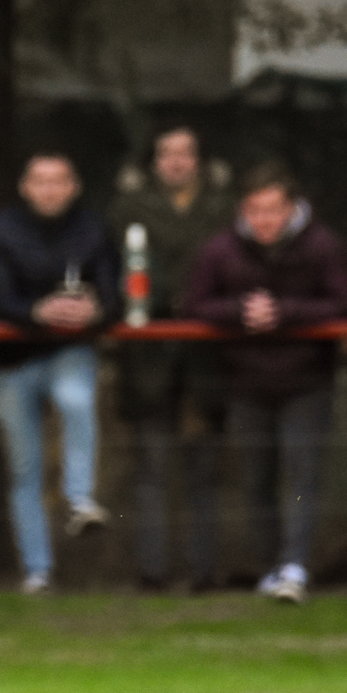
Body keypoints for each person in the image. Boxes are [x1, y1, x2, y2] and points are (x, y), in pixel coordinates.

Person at [182, 162, 347, 603]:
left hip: (306, 380)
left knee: (302, 474)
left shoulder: (323, 245)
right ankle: (269, 567)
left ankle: (295, 567)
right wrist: (240, 312)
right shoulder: (220, 249)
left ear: (292, 208)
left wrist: (286, 313)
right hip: (244, 381)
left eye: (273, 210)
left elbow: (345, 302)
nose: (265, 220)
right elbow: (195, 303)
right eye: (255, 210)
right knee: (256, 479)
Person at [0, 152, 119, 592]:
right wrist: (39, 311)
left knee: (76, 398)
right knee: (26, 468)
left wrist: (93, 309)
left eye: (59, 180)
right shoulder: (0, 229)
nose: (50, 189)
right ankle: (37, 570)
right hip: (11, 359)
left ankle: (80, 498)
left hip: (69, 350)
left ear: (74, 186)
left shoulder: (94, 228)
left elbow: (114, 296)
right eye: (40, 180)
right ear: (25, 186)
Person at [107, 126, 234, 591]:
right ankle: (151, 572)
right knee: (151, 468)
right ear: (154, 161)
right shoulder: (129, 208)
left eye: (186, 152)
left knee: (205, 469)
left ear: (198, 159)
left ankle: (204, 572)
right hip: (149, 355)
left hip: (206, 356)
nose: (177, 162)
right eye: (167, 153)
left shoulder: (224, 205)